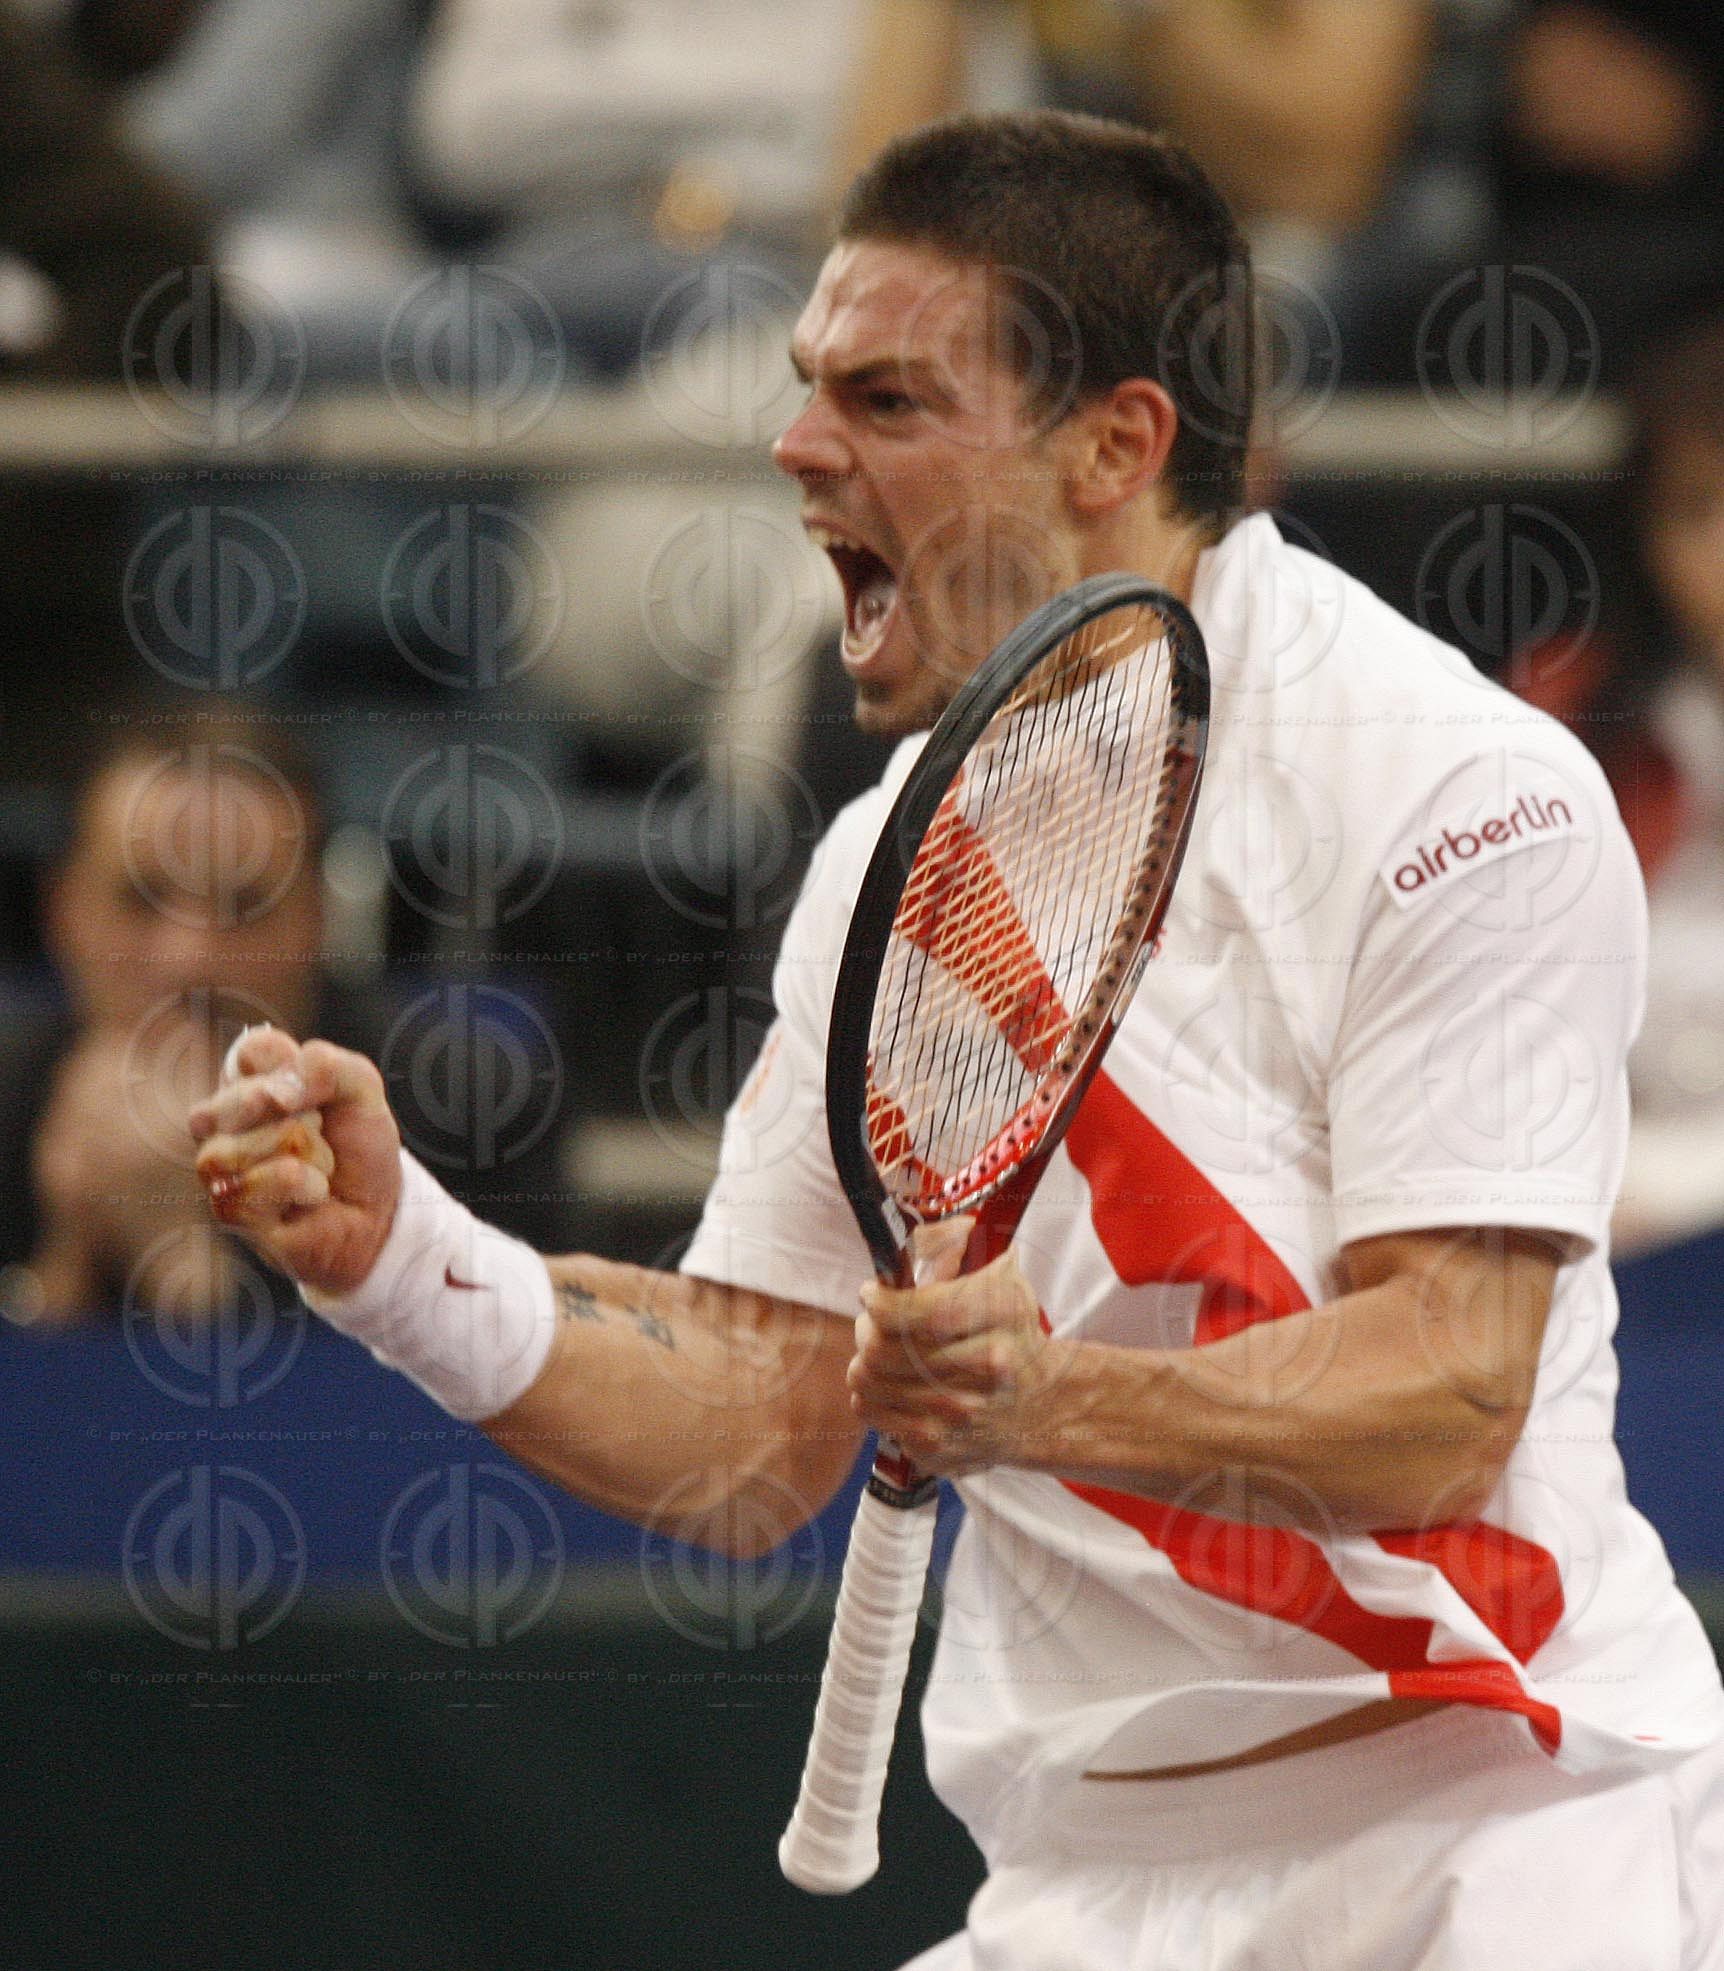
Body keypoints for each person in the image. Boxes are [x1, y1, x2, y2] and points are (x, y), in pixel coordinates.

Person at [189, 113, 1724, 1968]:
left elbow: (1449, 1400)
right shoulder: (887, 857)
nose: (798, 442)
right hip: (1083, 1881)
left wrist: (1049, 1399)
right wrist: (400, 1256)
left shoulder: (1467, 792)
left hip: (1496, 1838)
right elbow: (758, 1429)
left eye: (891, 399)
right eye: (808, 384)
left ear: (1117, 446)